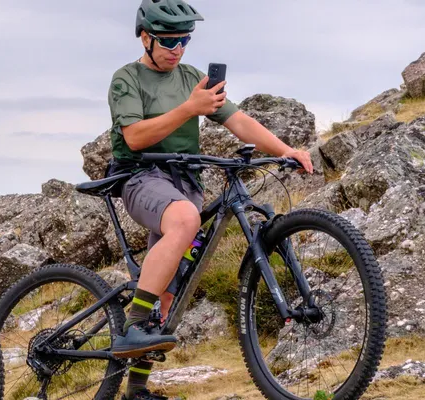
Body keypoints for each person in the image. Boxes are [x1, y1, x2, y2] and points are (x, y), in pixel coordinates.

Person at [106, 1, 314, 398]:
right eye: (169, 40)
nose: (178, 48)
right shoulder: (126, 79)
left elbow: (238, 121)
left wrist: (285, 149)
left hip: (185, 183)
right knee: (186, 220)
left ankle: (136, 389)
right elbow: (134, 138)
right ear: (146, 37)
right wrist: (190, 108)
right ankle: (133, 325)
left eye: (185, 39)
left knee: (169, 292)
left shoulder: (192, 79)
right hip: (140, 177)